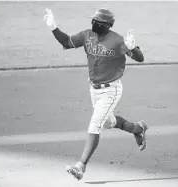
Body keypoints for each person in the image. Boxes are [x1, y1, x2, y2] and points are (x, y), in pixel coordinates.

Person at [44, 8, 148, 180]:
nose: (94, 23)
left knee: (95, 125)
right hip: (94, 90)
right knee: (108, 122)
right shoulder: (87, 35)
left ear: (107, 25)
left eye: (98, 22)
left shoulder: (117, 40)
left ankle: (80, 167)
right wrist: (53, 27)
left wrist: (132, 48)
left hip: (111, 90)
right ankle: (138, 129)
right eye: (93, 20)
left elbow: (140, 58)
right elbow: (67, 42)